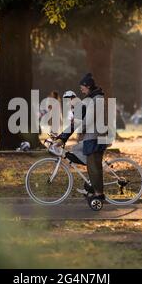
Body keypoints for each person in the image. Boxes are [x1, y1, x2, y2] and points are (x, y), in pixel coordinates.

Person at [56, 73, 107, 202]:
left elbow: (86, 121)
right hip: (92, 137)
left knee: (93, 166)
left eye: (82, 87)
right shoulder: (90, 99)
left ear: (88, 85)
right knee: (89, 163)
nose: (81, 90)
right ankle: (91, 187)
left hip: (95, 137)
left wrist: (73, 131)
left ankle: (98, 194)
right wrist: (62, 136)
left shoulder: (94, 100)